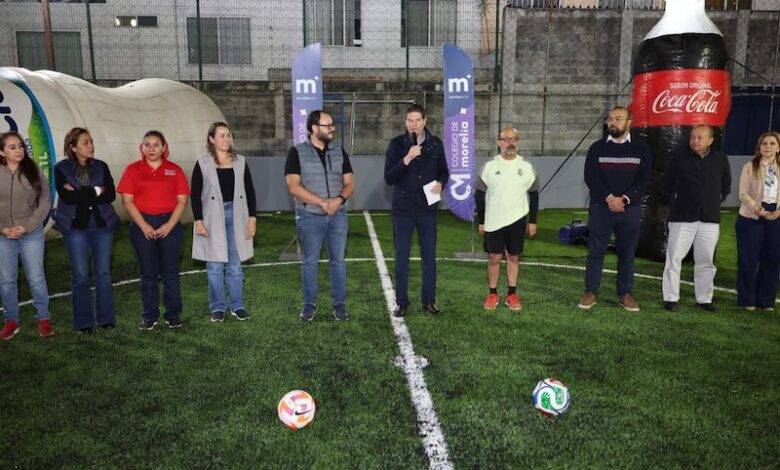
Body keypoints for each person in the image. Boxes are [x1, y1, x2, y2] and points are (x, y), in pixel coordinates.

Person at [578, 106, 651, 311]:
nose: (613, 122)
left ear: (629, 122)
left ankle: (624, 293)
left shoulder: (641, 148)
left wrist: (624, 200)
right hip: (601, 209)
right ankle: (590, 291)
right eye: (610, 119)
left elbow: (643, 179)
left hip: (629, 211)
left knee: (627, 254)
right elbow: (591, 178)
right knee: (595, 252)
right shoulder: (596, 148)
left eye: (618, 119)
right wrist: (611, 198)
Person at [285, 110, 354, 321]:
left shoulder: (339, 151)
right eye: (327, 125)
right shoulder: (297, 152)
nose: (332, 128)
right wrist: (323, 203)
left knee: (338, 261)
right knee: (309, 262)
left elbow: (350, 183)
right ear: (314, 129)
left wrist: (338, 201)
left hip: (338, 216)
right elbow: (293, 187)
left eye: (332, 124)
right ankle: (309, 304)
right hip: (309, 217)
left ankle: (339, 304)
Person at [117, 130, 190, 330]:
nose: (151, 148)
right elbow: (127, 200)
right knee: (148, 273)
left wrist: (169, 225)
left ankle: (172, 314)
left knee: (170, 273)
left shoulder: (175, 170)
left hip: (170, 224)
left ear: (164, 147)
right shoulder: (132, 170)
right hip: (142, 223)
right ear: (141, 147)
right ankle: (150, 315)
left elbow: (182, 201)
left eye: (156, 144)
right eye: (147, 144)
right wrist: (144, 225)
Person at [384, 103, 449, 317]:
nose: (413, 124)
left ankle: (429, 300)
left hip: (427, 210)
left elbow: (444, 171)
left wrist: (441, 182)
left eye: (417, 120)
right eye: (410, 121)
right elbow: (389, 177)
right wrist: (407, 158)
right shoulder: (396, 145)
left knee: (429, 257)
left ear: (425, 121)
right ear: (405, 122)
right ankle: (401, 302)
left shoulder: (436, 144)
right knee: (401, 257)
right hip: (403, 210)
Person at [53, 127, 120, 333]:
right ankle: (83, 323)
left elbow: (110, 196)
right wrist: (96, 190)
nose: (91, 146)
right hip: (75, 228)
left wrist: (84, 192)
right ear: (73, 147)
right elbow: (67, 198)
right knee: (80, 275)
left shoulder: (101, 166)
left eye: (91, 141)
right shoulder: (61, 169)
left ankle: (106, 319)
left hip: (102, 226)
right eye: (85, 142)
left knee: (103, 273)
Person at [191, 122, 256, 322]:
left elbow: (250, 191)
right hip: (212, 219)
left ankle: (238, 306)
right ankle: (218, 307)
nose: (226, 139)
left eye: (228, 135)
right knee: (215, 266)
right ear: (211, 139)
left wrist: (252, 218)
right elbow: (195, 194)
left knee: (236, 265)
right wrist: (199, 221)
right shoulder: (202, 163)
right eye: (221, 136)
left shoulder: (241, 162)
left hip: (238, 216)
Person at [661, 125, 730, 312]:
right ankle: (670, 297)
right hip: (682, 217)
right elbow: (666, 183)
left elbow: (726, 186)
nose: (695, 141)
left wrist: (711, 201)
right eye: (693, 137)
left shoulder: (720, 159)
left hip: (709, 219)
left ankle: (704, 299)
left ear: (710, 140)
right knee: (674, 258)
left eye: (700, 137)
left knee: (706, 260)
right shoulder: (679, 158)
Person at [475, 127, 539, 311]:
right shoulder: (489, 166)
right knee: (494, 258)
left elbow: (534, 195)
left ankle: (512, 294)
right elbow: (479, 195)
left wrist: (532, 221)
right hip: (494, 220)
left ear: (517, 142)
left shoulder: (526, 167)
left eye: (514, 139)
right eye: (505, 139)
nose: (510, 142)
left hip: (518, 220)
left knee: (513, 257)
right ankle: (492, 293)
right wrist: (482, 221)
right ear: (499, 142)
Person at [0, 131, 53, 340]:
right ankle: (11, 321)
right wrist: (2, 228)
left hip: (31, 233)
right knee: (6, 280)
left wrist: (27, 227)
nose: (19, 150)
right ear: (2, 152)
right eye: (12, 147)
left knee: (36, 277)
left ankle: (44, 318)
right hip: (4, 235)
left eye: (20, 146)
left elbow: (45, 202)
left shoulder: (34, 170)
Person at [735, 131, 780, 311]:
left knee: (772, 260)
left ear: (778, 148)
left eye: (771, 143)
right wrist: (759, 210)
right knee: (748, 260)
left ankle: (766, 300)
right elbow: (743, 194)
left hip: (776, 219)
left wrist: (777, 212)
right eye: (764, 144)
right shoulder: (749, 166)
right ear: (759, 147)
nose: (767, 147)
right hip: (751, 219)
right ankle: (747, 299)